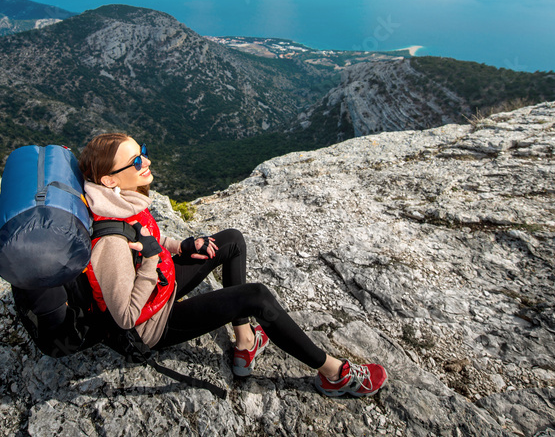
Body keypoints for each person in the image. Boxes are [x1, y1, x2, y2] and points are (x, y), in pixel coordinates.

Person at [78, 132, 388, 397]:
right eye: (135, 161)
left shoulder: (122, 201)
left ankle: (245, 341)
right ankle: (336, 375)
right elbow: (126, 318)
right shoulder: (110, 244)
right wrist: (149, 260)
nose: (146, 162)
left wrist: (179, 246)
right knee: (256, 297)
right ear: (109, 179)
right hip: (153, 324)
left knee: (232, 241)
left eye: (142, 152)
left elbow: (147, 237)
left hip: (161, 286)